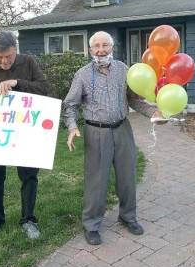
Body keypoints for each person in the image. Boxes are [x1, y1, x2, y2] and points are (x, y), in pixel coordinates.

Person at [63, 31, 161, 245]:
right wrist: (72, 127)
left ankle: (128, 217)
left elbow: (134, 99)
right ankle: (92, 225)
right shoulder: (82, 75)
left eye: (105, 45)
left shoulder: (124, 70)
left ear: (112, 47)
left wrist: (153, 113)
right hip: (96, 132)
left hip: (122, 128)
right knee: (97, 181)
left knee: (127, 176)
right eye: (96, 46)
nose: (101, 50)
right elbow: (70, 105)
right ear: (90, 50)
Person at [0, 31, 50, 239]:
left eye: (8, 56)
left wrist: (18, 83)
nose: (4, 61)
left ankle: (28, 219)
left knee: (29, 176)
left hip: (26, 131)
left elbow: (44, 88)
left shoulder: (29, 63)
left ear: (15, 50)